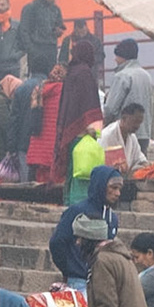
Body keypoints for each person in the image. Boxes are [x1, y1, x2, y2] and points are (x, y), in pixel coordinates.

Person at [48, 166, 122, 286]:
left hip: (102, 282)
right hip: (79, 281)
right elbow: (57, 242)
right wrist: (70, 269)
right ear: (100, 186)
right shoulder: (77, 211)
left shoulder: (112, 218)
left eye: (119, 189)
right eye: (113, 188)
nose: (117, 193)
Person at [53, 37, 103, 201]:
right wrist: (91, 128)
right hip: (83, 133)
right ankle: (76, 205)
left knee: (71, 171)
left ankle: (68, 202)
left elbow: (70, 106)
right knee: (80, 173)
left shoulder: (72, 73)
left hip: (71, 132)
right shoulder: (85, 74)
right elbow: (88, 105)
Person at [17, 0, 65, 77]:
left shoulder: (55, 9)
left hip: (50, 49)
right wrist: (31, 49)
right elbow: (24, 31)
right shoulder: (31, 8)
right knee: (37, 78)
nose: (54, 0)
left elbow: (60, 25)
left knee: (51, 77)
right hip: (37, 48)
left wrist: (58, 31)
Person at [102, 39, 152, 130]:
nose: (115, 59)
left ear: (123, 56)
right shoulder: (146, 76)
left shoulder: (122, 76)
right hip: (145, 131)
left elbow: (110, 109)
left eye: (117, 56)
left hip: (124, 132)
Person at [98, 104, 149, 175]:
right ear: (124, 118)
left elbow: (139, 158)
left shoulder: (132, 137)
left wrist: (146, 166)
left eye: (139, 123)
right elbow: (104, 165)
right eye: (135, 121)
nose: (137, 126)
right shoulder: (107, 135)